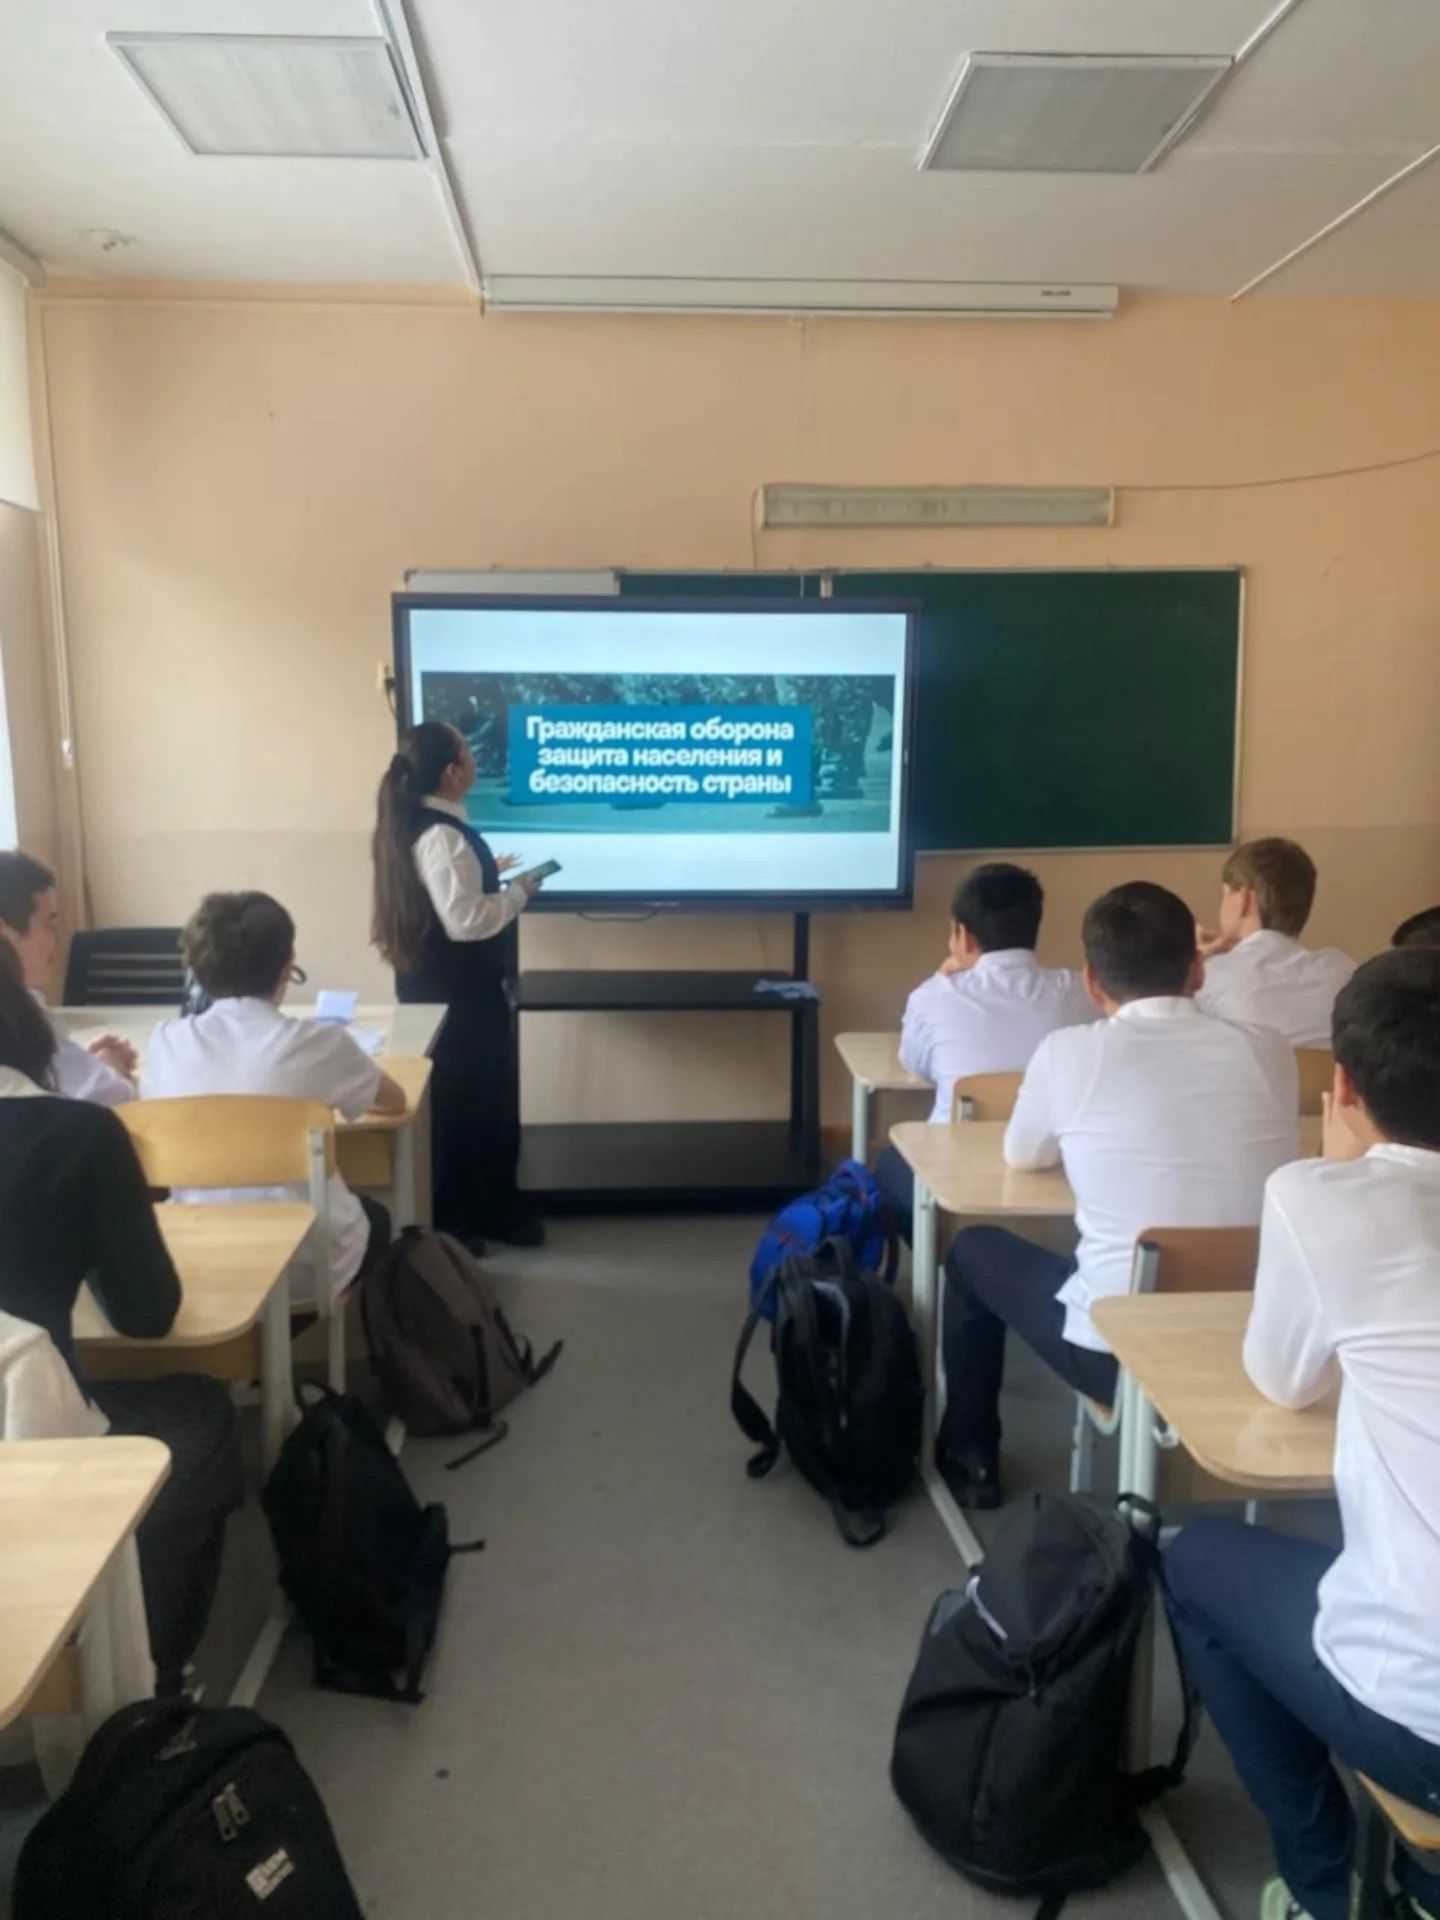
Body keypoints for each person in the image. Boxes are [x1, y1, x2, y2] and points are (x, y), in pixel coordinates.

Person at [1166, 949, 1440, 1920]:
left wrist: (1341, 1173)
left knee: (1193, 1560)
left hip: (1425, 1716)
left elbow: (1282, 1380)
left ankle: (1328, 1886)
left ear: (1344, 1087)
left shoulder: (1321, 1195)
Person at [937, 881, 1299, 1510]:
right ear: (1197, 969)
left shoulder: (1069, 1052)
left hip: (1119, 1353)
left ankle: (971, 1458)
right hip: (1252, 1343)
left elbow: (1023, 1154)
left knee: (972, 1251)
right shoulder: (1268, 1048)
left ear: (1091, 982)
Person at [0, 941, 242, 1692]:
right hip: (31, 1443)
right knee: (201, 1411)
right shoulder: (76, 1134)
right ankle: (153, 1672)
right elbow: (147, 1314)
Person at [143, 892, 404, 1307]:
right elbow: (393, 1100)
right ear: (287, 966)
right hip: (304, 1268)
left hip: (195, 1260)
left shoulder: (164, 1044)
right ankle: (329, 1334)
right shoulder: (320, 1044)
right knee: (376, 1217)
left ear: (198, 970)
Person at [372, 721, 545, 1248]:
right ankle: (468, 1220)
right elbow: (466, 922)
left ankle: (475, 1215)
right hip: (460, 997)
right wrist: (518, 893)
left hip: (438, 991)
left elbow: (447, 896)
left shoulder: (417, 824)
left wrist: (489, 875)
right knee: (472, 1106)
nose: (473, 760)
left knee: (462, 1105)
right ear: (451, 773)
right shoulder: (442, 835)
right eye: (467, 753)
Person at [875, 863, 1095, 1238]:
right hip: (1056, 1177)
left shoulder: (933, 997)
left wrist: (941, 980)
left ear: (963, 935)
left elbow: (916, 1064)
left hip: (953, 1181)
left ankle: (939, 1254)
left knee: (889, 1163)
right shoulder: (1079, 992)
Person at [0, 848, 137, 1105]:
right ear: (4, 932)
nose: (59, 939)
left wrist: (86, 1064)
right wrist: (112, 1066)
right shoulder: (21, 1017)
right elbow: (107, 1098)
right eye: (49, 924)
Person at [1195, 838, 1355, 1047]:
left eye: (1224, 894)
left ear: (1243, 899)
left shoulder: (1209, 976)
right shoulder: (1344, 973)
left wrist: (1191, 964)